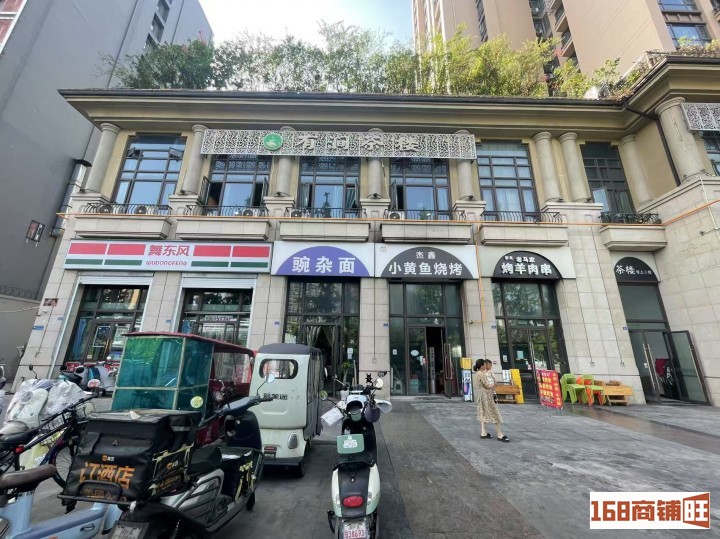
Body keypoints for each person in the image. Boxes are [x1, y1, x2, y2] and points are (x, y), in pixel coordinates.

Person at [473, 358, 509, 442]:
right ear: (482, 366)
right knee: (495, 413)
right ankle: (499, 434)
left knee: (484, 413)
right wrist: (494, 384)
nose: (485, 366)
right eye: (484, 364)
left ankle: (483, 432)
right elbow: (487, 385)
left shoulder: (478, 373)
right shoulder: (481, 374)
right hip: (487, 397)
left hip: (482, 396)